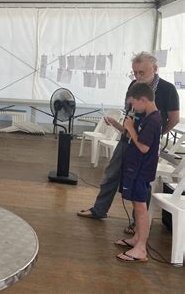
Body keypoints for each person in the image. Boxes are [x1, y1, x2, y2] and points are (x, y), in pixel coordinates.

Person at [77, 52, 180, 232]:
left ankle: (137, 224)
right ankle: (99, 209)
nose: (138, 76)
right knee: (111, 174)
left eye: (142, 72)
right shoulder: (134, 85)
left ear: (155, 69)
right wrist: (122, 127)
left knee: (141, 182)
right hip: (127, 139)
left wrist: (155, 134)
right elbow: (130, 114)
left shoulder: (167, 89)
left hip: (146, 145)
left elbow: (174, 118)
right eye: (135, 72)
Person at [115, 83, 162, 262]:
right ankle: (136, 238)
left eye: (134, 104)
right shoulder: (147, 116)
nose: (134, 108)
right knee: (136, 205)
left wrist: (131, 128)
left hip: (141, 171)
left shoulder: (154, 120)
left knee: (141, 208)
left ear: (143, 99)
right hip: (135, 168)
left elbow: (143, 147)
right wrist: (132, 125)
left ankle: (141, 248)